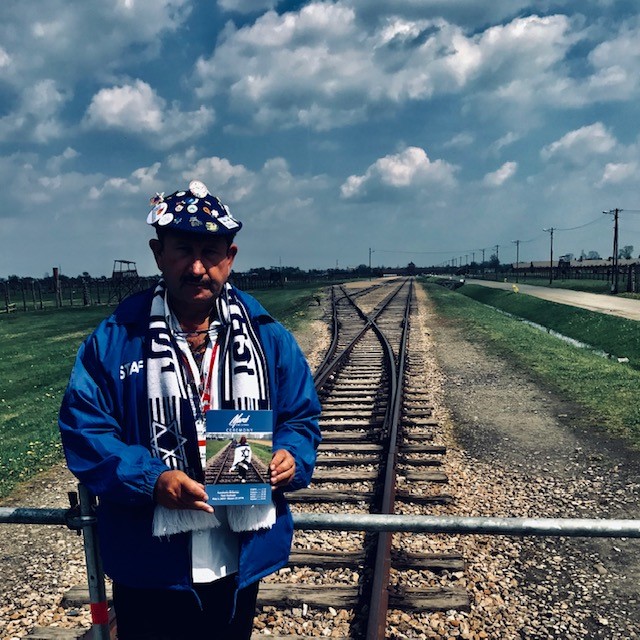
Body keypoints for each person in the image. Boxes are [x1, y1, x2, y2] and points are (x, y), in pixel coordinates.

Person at [58, 180, 322, 640]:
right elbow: (84, 430)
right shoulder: (116, 339)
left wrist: (291, 456)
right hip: (149, 561)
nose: (197, 267)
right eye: (183, 250)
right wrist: (151, 480)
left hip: (239, 555)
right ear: (158, 253)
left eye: (211, 252)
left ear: (230, 256)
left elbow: (300, 417)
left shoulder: (267, 335)